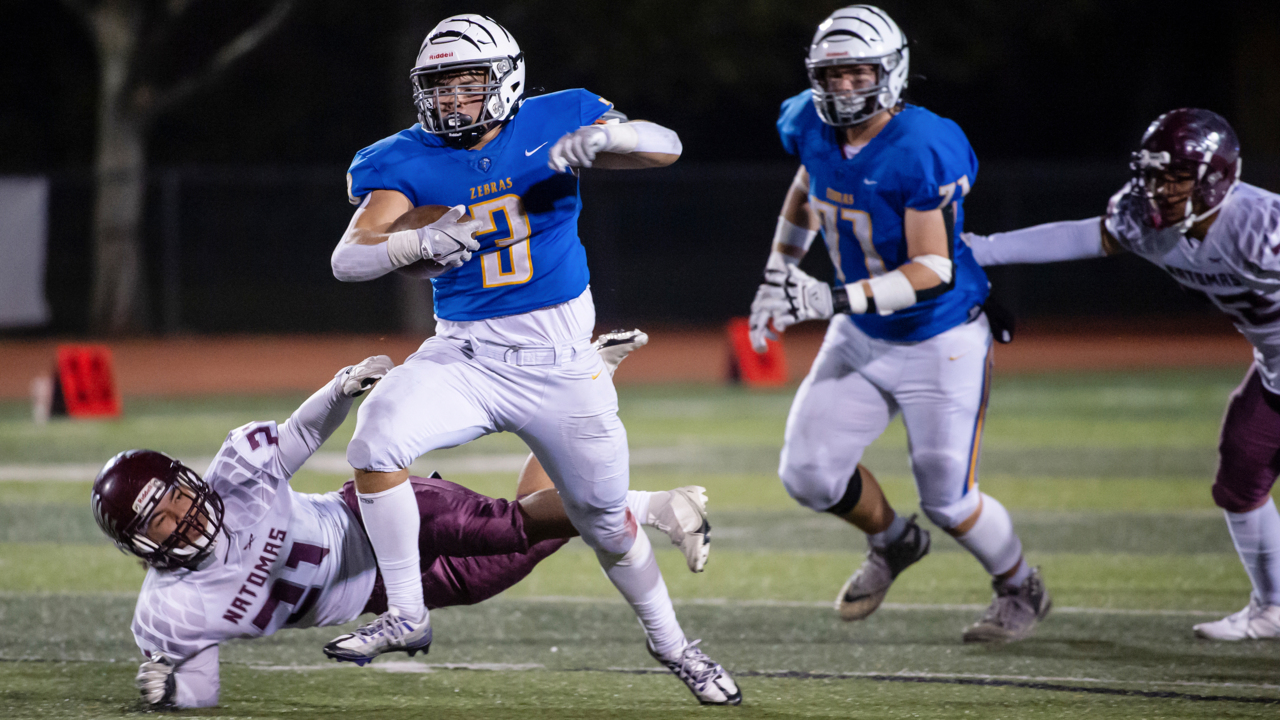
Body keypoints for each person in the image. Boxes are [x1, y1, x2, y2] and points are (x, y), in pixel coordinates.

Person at [326, 15, 738, 704]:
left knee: (605, 522)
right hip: (466, 354)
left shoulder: (559, 117)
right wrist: (411, 246)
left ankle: (674, 646)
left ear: (506, 80)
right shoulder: (401, 159)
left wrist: (613, 136)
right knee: (375, 441)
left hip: (560, 363)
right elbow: (348, 258)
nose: (453, 101)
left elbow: (665, 148)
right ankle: (406, 612)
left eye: (468, 84)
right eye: (440, 87)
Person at [91, 339, 715, 709]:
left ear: (187, 478)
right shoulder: (168, 613)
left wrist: (340, 388)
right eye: (160, 521)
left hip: (371, 516)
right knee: (535, 538)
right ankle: (588, 377)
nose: (181, 517)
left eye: (175, 497)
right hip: (377, 593)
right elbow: (201, 689)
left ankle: (656, 504)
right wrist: (170, 696)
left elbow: (302, 433)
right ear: (139, 546)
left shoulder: (239, 475)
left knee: (502, 528)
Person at [747, 5, 1050, 643]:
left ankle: (1020, 584)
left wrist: (829, 298)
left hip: (938, 336)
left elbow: (932, 267)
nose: (843, 88)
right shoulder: (806, 120)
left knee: (950, 500)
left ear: (890, 72)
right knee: (808, 474)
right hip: (863, 333)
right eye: (831, 76)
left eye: (858, 73)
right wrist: (778, 271)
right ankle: (892, 541)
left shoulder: (922, 145)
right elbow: (809, 185)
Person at [961, 108, 1280, 641]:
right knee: (1241, 473)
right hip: (1272, 369)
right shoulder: (1143, 222)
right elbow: (1083, 237)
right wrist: (984, 250)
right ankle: (1273, 607)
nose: (1161, 190)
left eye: (1176, 177)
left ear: (1218, 177)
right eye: (1153, 175)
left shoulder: (1261, 227)